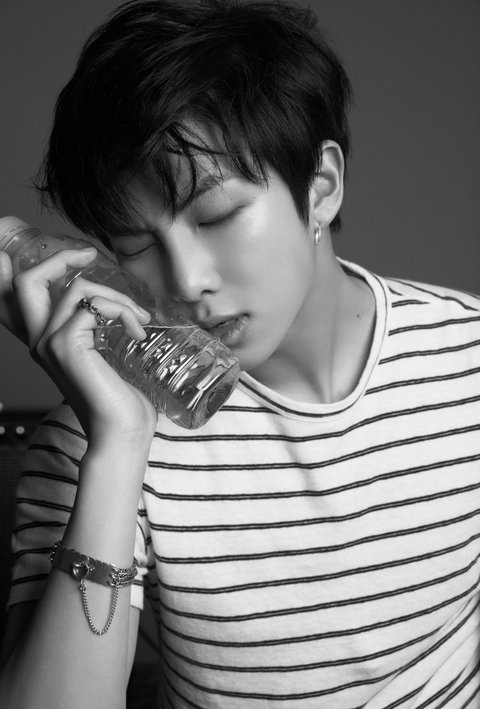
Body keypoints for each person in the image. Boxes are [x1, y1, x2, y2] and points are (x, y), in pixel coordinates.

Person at [0, 0, 479, 706]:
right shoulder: (94, 434)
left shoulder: (468, 354)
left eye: (218, 216)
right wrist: (120, 444)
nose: (187, 279)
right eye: (136, 244)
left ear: (321, 187)